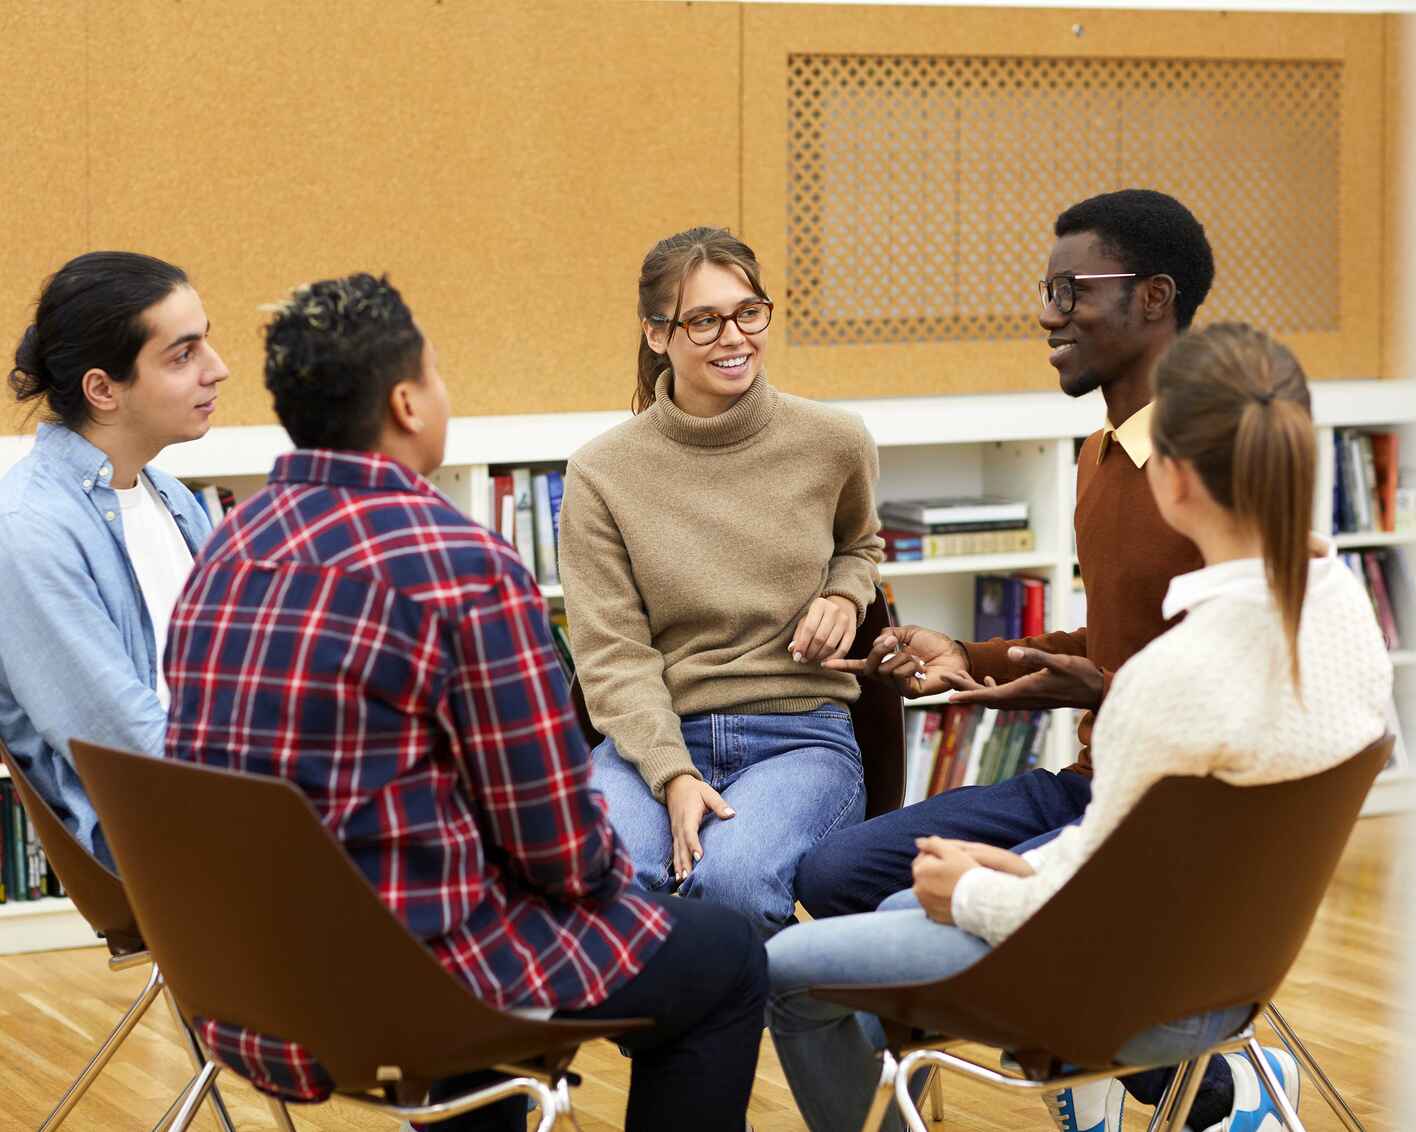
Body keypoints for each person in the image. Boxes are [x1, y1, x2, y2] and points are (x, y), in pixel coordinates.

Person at [164, 273, 767, 1132]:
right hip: (418, 981)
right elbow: (557, 842)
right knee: (728, 956)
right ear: (408, 402)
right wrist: (615, 884)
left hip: (256, 976)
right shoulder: (461, 563)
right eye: (440, 376)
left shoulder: (229, 545)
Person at [767, 321, 1393, 1132]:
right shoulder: (1344, 611)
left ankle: (1085, 1073)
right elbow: (1121, 856)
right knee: (884, 904)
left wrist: (977, 887)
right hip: (1232, 965)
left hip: (1132, 990)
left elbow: (1090, 902)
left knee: (794, 965)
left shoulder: (1173, 677)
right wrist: (1006, 867)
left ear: (1170, 479)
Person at [798, 188, 1216, 1131]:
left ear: (1154, 299)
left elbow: (1254, 679)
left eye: (1073, 293)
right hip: (1088, 780)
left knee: (933, 922)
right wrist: (972, 657)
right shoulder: (1099, 454)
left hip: (1174, 809)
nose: (1047, 314)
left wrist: (1110, 689)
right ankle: (1113, 1056)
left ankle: (1146, 1068)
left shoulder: (1222, 461)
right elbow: (1110, 643)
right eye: (1047, 289)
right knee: (833, 874)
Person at [557, 226, 884, 938]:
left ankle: (759, 1036)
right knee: (603, 881)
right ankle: (674, 1047)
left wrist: (843, 592)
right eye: (703, 320)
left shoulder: (834, 440)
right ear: (656, 335)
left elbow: (860, 545)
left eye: (748, 312)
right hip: (657, 733)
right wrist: (673, 774)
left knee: (732, 883)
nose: (733, 336)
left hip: (800, 732)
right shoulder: (601, 473)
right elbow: (612, 655)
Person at [0, 252, 225, 868]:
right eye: (183, 356)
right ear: (103, 389)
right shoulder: (29, 528)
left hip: (221, 801)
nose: (218, 369)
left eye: (207, 343)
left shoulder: (172, 497)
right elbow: (122, 744)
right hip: (155, 834)